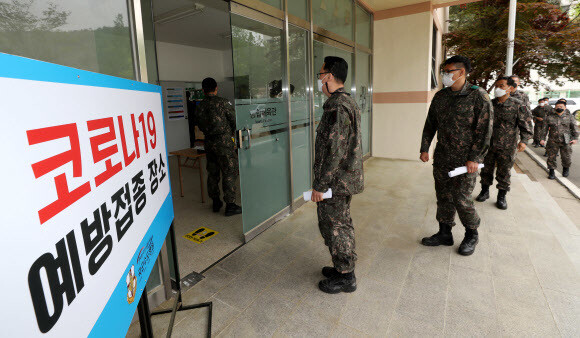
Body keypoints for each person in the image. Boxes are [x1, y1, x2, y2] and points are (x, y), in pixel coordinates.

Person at [420, 55, 493, 256]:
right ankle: (445, 233)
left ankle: (472, 234)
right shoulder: (441, 96)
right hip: (443, 156)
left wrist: (475, 158)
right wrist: (425, 148)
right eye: (443, 71)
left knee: (461, 198)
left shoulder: (479, 97)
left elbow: (484, 131)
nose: (444, 75)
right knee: (443, 196)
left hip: (465, 161)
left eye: (448, 71)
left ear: (461, 72)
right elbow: (430, 124)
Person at [311, 56, 363, 294]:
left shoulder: (336, 106)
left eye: (321, 74)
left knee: (335, 226)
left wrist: (320, 186)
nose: (320, 78)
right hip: (343, 179)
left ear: (329, 75)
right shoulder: (346, 102)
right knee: (340, 223)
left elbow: (334, 151)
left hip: (335, 182)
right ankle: (341, 266)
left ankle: (345, 275)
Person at [475, 76, 532, 210]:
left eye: (502, 86)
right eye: (497, 86)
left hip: (507, 146)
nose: (498, 89)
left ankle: (501, 196)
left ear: (510, 88)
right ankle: (484, 191)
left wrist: (524, 141)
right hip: (488, 145)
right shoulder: (489, 104)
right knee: (486, 169)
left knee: (504, 171)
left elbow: (527, 125)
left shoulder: (518, 105)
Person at [194, 77, 242, 216]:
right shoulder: (223, 103)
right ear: (216, 88)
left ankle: (216, 201)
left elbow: (200, 124)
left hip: (209, 143)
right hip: (224, 143)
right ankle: (230, 205)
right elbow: (234, 121)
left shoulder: (200, 106)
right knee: (229, 172)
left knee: (213, 172)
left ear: (203, 90)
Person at [540, 99, 578, 179]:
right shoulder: (549, 117)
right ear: (554, 107)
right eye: (557, 106)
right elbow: (544, 129)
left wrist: (575, 138)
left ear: (565, 107)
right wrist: (542, 139)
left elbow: (574, 128)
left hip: (566, 140)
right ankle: (551, 172)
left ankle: (566, 169)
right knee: (551, 157)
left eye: (561, 106)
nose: (559, 108)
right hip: (553, 140)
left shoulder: (570, 117)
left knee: (566, 156)